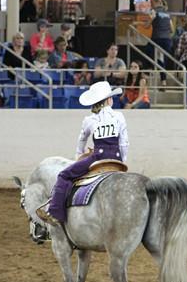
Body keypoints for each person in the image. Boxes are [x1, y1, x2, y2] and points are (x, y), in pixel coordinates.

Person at [37, 80, 128, 225]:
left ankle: (55, 213)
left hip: (98, 158)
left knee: (64, 175)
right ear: (109, 100)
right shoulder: (119, 116)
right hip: (116, 159)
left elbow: (81, 141)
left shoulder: (89, 120)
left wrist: (78, 158)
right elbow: (124, 143)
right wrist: (122, 163)